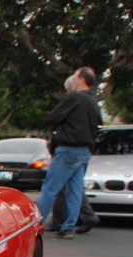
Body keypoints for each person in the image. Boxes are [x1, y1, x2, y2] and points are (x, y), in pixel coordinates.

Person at [35, 67, 102, 239]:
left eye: (76, 76)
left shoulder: (75, 98)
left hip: (68, 149)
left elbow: (53, 117)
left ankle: (34, 224)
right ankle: (68, 226)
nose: (73, 79)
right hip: (84, 150)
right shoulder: (93, 101)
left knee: (50, 188)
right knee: (74, 190)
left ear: (81, 79)